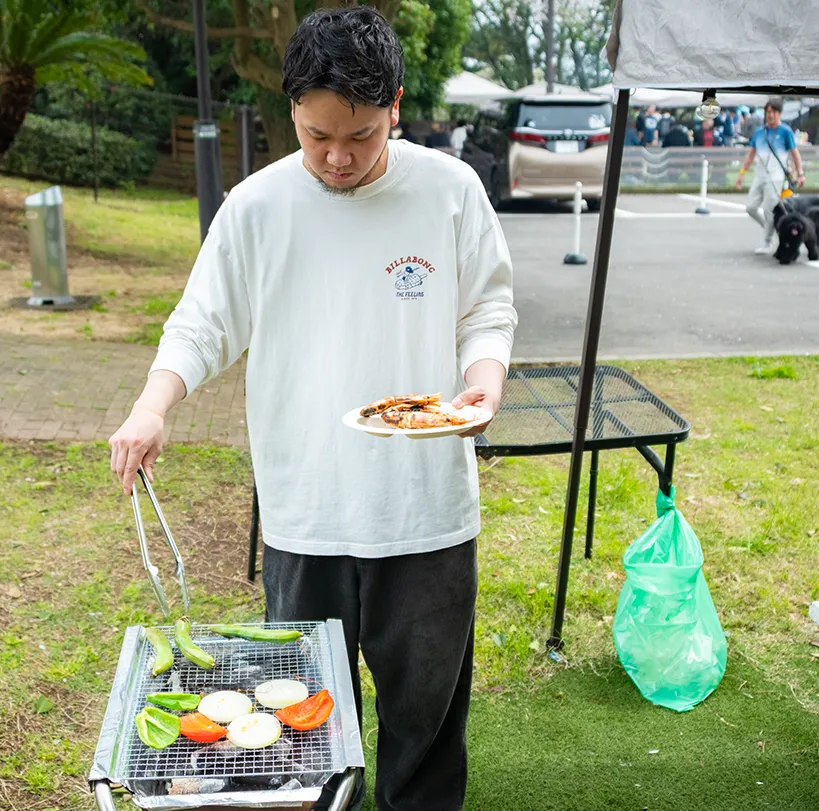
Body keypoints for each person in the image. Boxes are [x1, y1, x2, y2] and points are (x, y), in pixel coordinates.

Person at [107, 8, 515, 811]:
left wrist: (485, 379)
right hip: (306, 510)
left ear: (394, 106)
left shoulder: (449, 190)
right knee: (302, 723)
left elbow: (487, 308)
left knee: (426, 720)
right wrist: (153, 405)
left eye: (360, 135)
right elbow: (202, 324)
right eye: (316, 133)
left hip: (426, 511)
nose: (337, 156)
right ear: (291, 109)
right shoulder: (257, 207)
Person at [735, 99, 805, 255]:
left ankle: (767, 242)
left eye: (773, 112)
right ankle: (770, 228)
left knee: (769, 209)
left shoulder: (785, 132)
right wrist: (742, 173)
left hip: (776, 177)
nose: (770, 115)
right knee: (751, 207)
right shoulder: (760, 132)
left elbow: (795, 154)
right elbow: (751, 154)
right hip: (760, 174)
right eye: (768, 112)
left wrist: (800, 173)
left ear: (779, 113)